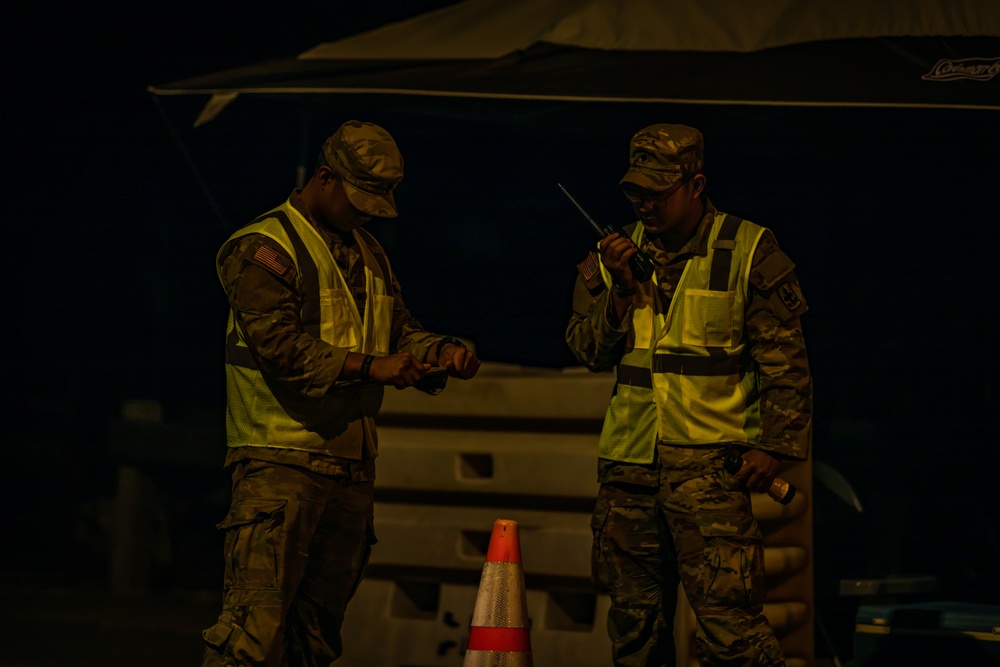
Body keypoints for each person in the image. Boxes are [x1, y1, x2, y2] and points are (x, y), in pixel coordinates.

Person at [202, 120, 481, 667]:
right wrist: (374, 367)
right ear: (325, 178)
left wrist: (439, 351)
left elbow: (397, 327)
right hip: (280, 463)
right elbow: (280, 349)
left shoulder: (368, 251)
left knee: (316, 637)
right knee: (252, 636)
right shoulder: (263, 248)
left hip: (349, 465)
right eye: (360, 201)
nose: (368, 214)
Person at [565, 123, 812, 666]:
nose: (644, 203)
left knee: (734, 635)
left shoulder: (749, 248)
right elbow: (585, 349)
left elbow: (785, 364)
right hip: (629, 470)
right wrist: (621, 293)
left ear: (696, 185)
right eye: (636, 191)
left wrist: (773, 446)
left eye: (658, 191)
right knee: (634, 634)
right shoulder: (613, 258)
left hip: (711, 475)